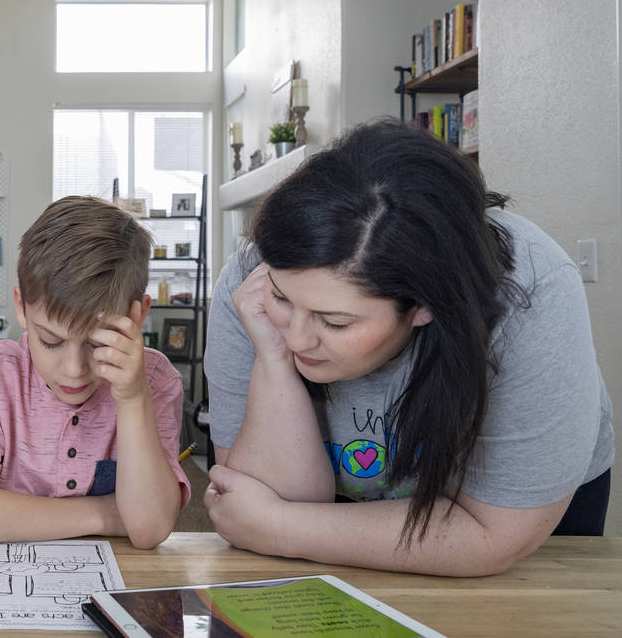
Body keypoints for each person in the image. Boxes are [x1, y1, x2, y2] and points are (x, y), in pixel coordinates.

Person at [204, 120, 613, 577]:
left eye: (335, 321)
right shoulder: (253, 282)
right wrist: (273, 360)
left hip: (512, 525)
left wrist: (280, 525)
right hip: (329, 511)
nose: (297, 337)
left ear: (423, 306)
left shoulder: (532, 292)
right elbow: (256, 502)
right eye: (283, 300)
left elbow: (492, 536)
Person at [0, 196, 189, 549]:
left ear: (137, 315)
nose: (74, 371)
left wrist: (133, 400)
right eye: (50, 341)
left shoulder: (154, 380)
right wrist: (108, 514)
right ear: (21, 306)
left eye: (96, 344)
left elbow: (148, 528)